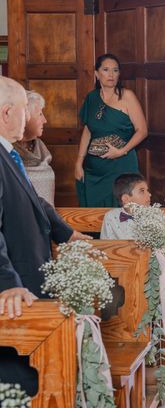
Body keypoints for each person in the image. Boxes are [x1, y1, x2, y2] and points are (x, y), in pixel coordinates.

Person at [0, 76, 89, 394]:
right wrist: (7, 284)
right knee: (21, 382)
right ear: (7, 112)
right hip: (14, 291)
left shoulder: (8, 153)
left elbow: (31, 200)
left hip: (31, 275)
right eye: (25, 109)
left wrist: (65, 231)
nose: (28, 117)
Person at [75, 53, 148, 207]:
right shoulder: (92, 98)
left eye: (115, 70)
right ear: (97, 74)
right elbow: (88, 131)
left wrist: (122, 151)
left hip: (121, 166)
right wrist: (79, 162)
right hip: (94, 170)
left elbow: (142, 131)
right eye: (106, 70)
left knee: (123, 208)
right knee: (94, 213)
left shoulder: (127, 96)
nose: (111, 74)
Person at [13, 90, 55, 205]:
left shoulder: (40, 147)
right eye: (40, 114)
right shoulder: (7, 151)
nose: (45, 120)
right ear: (26, 116)